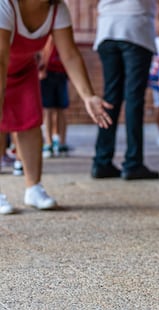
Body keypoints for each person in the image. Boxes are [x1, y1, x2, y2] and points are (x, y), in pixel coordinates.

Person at [0, 0, 112, 215]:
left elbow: (69, 54)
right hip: (1, 66)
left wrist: (88, 95)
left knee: (30, 123)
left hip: (23, 70)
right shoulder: (6, 4)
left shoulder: (56, 9)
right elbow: (1, 57)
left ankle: (33, 188)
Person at [91, 0, 159, 180]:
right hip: (135, 29)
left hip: (107, 30)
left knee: (111, 97)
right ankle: (133, 163)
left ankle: (102, 161)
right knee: (134, 98)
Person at [38, 36, 70, 158]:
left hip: (60, 72)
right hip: (49, 72)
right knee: (50, 110)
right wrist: (43, 68)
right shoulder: (47, 33)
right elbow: (45, 50)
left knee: (58, 109)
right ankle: (51, 142)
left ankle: (58, 142)